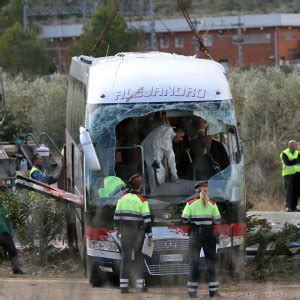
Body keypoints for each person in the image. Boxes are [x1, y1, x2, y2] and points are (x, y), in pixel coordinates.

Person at [181, 181, 221, 298]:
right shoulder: (212, 204)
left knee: (193, 263)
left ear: (196, 191)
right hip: (209, 236)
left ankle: (192, 293)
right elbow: (217, 220)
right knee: (211, 264)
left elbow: (184, 219)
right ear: (207, 191)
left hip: (195, 236)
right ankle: (213, 292)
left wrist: (193, 221)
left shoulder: (191, 203)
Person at [114, 174, 152, 293]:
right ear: (140, 186)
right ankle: (140, 286)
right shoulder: (142, 200)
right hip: (137, 234)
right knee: (138, 258)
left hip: (125, 233)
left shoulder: (122, 198)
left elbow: (116, 217)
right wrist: (150, 236)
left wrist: (118, 231)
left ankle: (123, 286)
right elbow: (147, 220)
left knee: (126, 257)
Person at [141, 123, 185, 192]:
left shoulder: (167, 131)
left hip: (149, 151)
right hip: (150, 154)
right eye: (181, 136)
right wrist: (155, 160)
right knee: (157, 175)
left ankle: (157, 193)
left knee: (159, 173)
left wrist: (174, 174)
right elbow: (170, 156)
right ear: (176, 133)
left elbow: (170, 156)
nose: (181, 139)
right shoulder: (166, 135)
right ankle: (156, 194)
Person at [0, 186, 24, 274]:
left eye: (1, 193)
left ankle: (16, 270)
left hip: (5, 233)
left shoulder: (3, 208)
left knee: (12, 250)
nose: (1, 195)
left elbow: (7, 221)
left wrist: (10, 232)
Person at [280, 140, 299, 212]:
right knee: (289, 191)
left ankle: (294, 207)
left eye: (295, 145)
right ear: (289, 146)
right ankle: (288, 207)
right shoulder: (284, 153)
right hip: (288, 174)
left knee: (296, 191)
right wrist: (296, 161)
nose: (295, 146)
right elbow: (287, 162)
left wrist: (293, 160)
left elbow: (297, 161)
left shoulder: (298, 153)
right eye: (293, 145)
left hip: (297, 174)